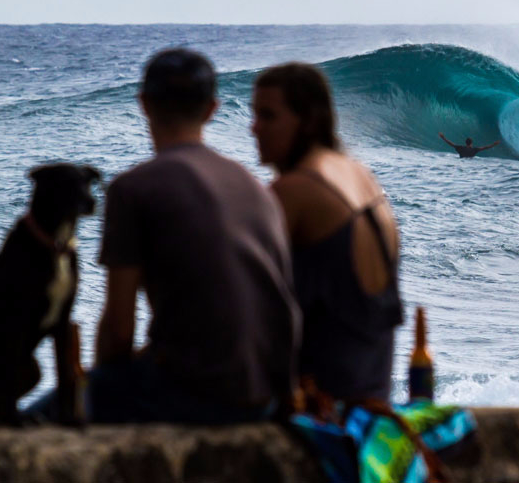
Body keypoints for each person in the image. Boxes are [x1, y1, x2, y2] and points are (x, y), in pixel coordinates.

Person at [83, 48, 299, 423]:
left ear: (144, 104)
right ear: (212, 109)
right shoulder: (254, 188)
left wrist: (101, 389)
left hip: (198, 396)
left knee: (44, 416)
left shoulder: (132, 188)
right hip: (267, 392)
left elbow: (119, 331)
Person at [251, 62, 403, 403]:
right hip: (373, 401)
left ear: (308, 121)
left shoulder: (294, 190)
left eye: (268, 116)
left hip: (319, 410)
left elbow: (243, 305)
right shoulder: (363, 179)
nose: (254, 128)